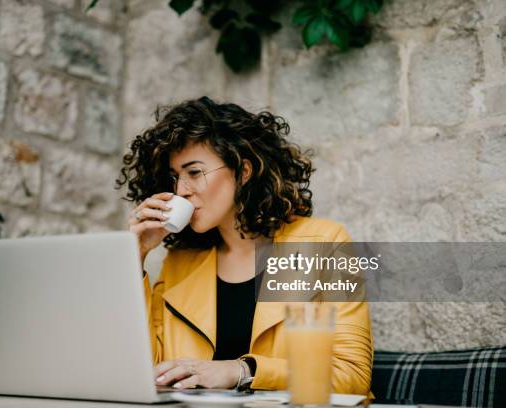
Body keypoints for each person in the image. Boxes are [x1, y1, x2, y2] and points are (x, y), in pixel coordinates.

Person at [116, 96, 373, 394]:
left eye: (194, 173)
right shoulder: (180, 261)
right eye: (175, 177)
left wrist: (242, 371)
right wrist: (134, 259)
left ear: (244, 171)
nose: (180, 191)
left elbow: (351, 375)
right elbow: (146, 371)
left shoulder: (324, 243)